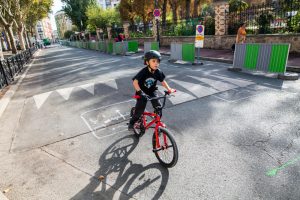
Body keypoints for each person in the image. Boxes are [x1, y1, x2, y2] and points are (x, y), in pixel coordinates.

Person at [128, 50, 175, 131]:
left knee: (158, 107)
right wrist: (140, 92)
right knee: (139, 110)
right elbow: (135, 82)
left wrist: (169, 89)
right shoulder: (144, 71)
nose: (156, 63)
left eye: (158, 61)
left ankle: (157, 120)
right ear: (147, 62)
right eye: (153, 61)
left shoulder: (158, 72)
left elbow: (163, 81)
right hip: (141, 92)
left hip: (152, 91)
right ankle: (131, 123)